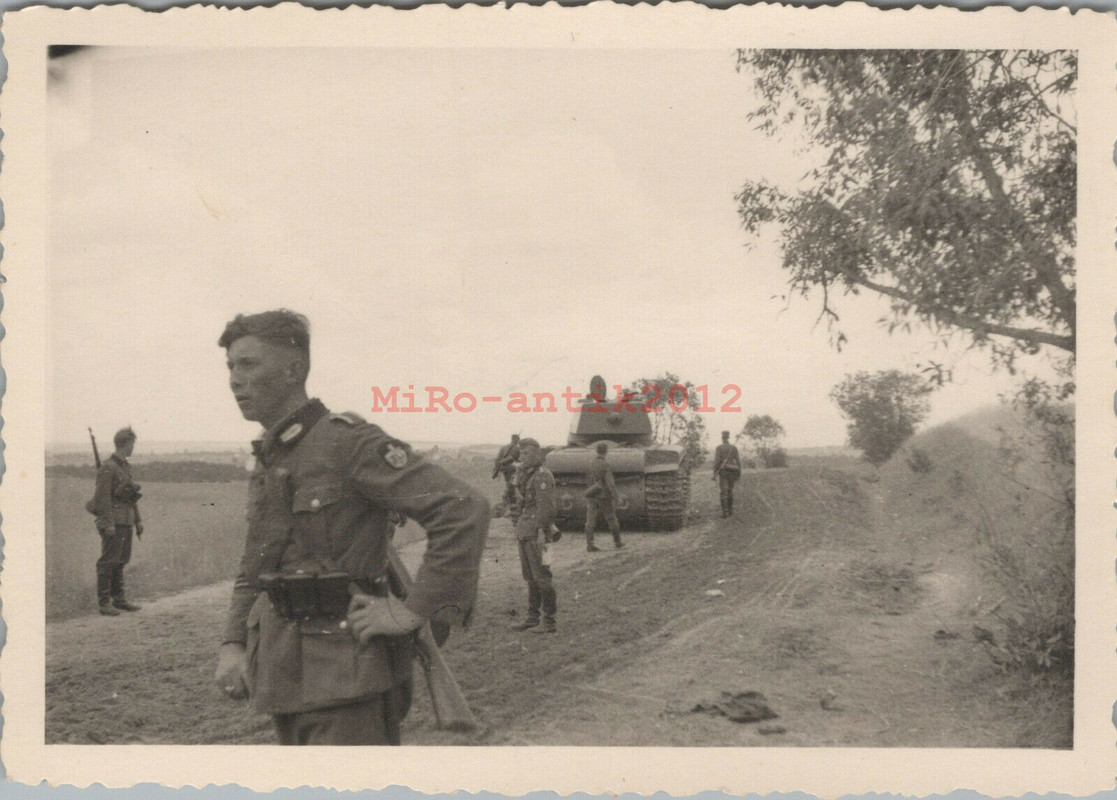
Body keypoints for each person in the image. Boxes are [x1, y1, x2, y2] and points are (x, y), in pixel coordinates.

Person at [212, 309, 489, 745]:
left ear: (293, 368)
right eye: (230, 367)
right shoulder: (273, 456)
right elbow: (257, 561)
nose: (234, 379)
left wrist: (411, 611)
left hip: (349, 675)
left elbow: (463, 508)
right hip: (283, 676)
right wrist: (232, 643)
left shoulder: (347, 442)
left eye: (248, 364)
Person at [91, 427, 144, 616]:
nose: (133, 448)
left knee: (121, 560)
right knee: (108, 561)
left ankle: (119, 600)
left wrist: (138, 521)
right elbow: (102, 498)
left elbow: (131, 497)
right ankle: (104, 603)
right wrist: (108, 523)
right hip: (114, 522)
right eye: (132, 444)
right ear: (124, 444)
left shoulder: (125, 467)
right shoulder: (109, 467)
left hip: (126, 521)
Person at [511, 438, 558, 634]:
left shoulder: (542, 476)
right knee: (530, 577)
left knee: (542, 577)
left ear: (538, 454)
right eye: (521, 454)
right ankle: (532, 617)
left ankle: (549, 621)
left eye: (528, 453)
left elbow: (547, 509)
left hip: (539, 533)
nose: (523, 457)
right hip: (525, 530)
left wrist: (541, 531)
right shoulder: (526, 475)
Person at [583, 442, 624, 552]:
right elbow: (610, 483)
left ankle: (590, 544)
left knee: (590, 521)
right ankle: (618, 542)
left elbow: (587, 479)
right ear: (606, 452)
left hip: (592, 494)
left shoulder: (590, 463)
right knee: (611, 519)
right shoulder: (605, 464)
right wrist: (616, 497)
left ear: (597, 451)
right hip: (604, 496)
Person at [713, 430, 742, 518]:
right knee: (730, 491)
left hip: (724, 473)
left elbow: (717, 461)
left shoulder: (719, 448)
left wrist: (714, 473)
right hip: (733, 472)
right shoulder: (733, 448)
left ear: (722, 438)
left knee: (724, 492)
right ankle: (730, 511)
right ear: (728, 437)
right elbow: (738, 461)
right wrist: (739, 473)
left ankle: (725, 513)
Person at [492, 434, 521, 510]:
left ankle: (510, 501)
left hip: (504, 469)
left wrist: (497, 468)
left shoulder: (504, 448)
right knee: (513, 485)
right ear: (516, 440)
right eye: (518, 440)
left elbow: (497, 459)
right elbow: (518, 459)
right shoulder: (517, 449)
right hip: (512, 469)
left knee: (509, 484)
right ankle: (511, 502)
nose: (518, 441)